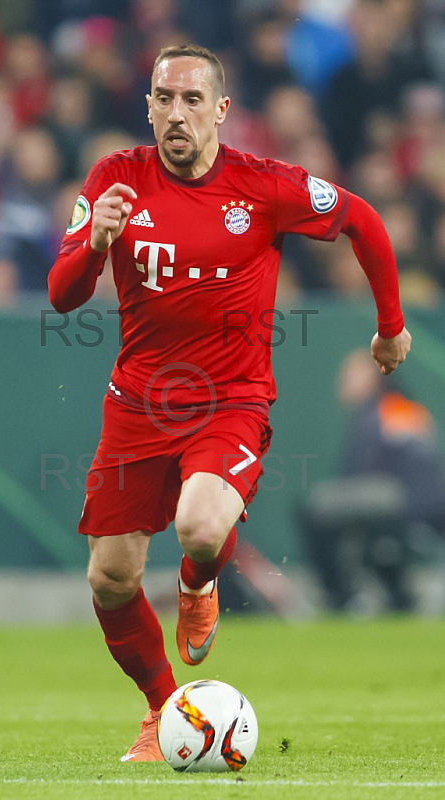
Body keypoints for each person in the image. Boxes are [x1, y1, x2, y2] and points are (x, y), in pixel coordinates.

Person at [48, 44, 411, 762]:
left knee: (202, 527)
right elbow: (63, 295)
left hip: (230, 401)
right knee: (111, 577)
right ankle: (162, 710)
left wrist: (391, 327)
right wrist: (94, 243)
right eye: (162, 98)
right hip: (136, 405)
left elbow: (364, 221)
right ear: (147, 106)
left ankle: (197, 582)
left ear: (220, 110)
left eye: (190, 100)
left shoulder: (264, 186)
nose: (174, 112)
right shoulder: (116, 177)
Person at [297, 349, 445, 612]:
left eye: (350, 375)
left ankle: (340, 596)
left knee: (314, 507)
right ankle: (388, 594)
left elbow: (403, 476)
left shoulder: (389, 411)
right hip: (411, 504)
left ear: (373, 377)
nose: (342, 382)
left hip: (407, 503)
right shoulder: (394, 409)